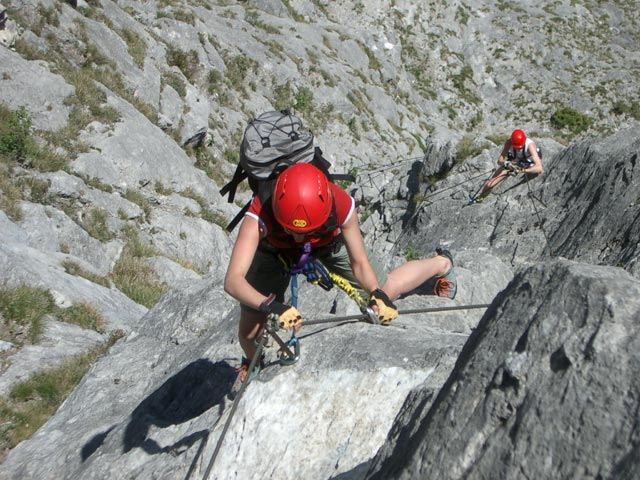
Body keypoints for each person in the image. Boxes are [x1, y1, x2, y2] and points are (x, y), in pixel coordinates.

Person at [223, 162, 457, 397]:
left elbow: (360, 263)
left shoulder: (341, 205)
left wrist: (377, 292)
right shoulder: (260, 211)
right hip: (274, 250)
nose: (298, 236)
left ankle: (441, 263)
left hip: (325, 243)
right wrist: (273, 306)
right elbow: (233, 280)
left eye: (305, 230)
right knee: (249, 333)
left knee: (385, 291)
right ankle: (252, 362)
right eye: (293, 229)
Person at [471, 129, 543, 203]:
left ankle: (482, 197)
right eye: (516, 147)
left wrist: (523, 170)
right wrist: (507, 164)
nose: (518, 149)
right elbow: (499, 161)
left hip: (527, 161)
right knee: (490, 184)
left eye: (520, 147)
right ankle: (481, 197)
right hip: (515, 162)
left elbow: (539, 168)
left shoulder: (530, 146)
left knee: (532, 168)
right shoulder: (509, 142)